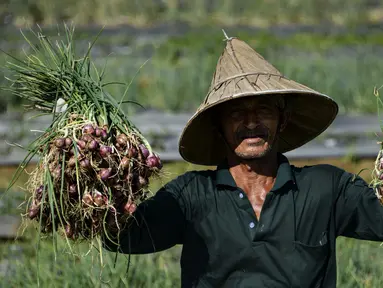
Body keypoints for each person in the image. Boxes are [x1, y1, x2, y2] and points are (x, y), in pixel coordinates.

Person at [102, 35, 383, 287]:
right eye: (237, 113)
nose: (251, 121)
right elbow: (124, 237)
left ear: (282, 120)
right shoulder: (190, 196)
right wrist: (105, 184)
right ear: (218, 126)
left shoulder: (326, 189)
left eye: (263, 109)